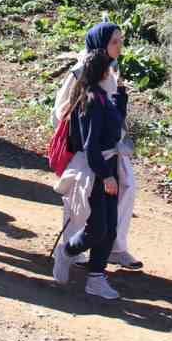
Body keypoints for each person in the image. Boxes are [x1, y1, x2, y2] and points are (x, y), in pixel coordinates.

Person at [53, 22, 142, 273]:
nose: (120, 45)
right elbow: (61, 110)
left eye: (121, 40)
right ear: (100, 43)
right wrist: (88, 120)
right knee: (80, 201)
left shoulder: (111, 67)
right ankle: (72, 250)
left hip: (112, 146)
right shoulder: (84, 68)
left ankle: (113, 248)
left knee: (126, 189)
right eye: (114, 41)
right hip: (88, 149)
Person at [52, 48, 127, 301]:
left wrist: (122, 98)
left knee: (110, 228)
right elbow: (91, 145)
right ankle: (67, 251)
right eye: (111, 69)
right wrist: (106, 176)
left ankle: (96, 278)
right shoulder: (93, 100)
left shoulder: (105, 97)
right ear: (103, 72)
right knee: (98, 228)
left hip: (108, 166)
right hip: (97, 170)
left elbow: (115, 128)